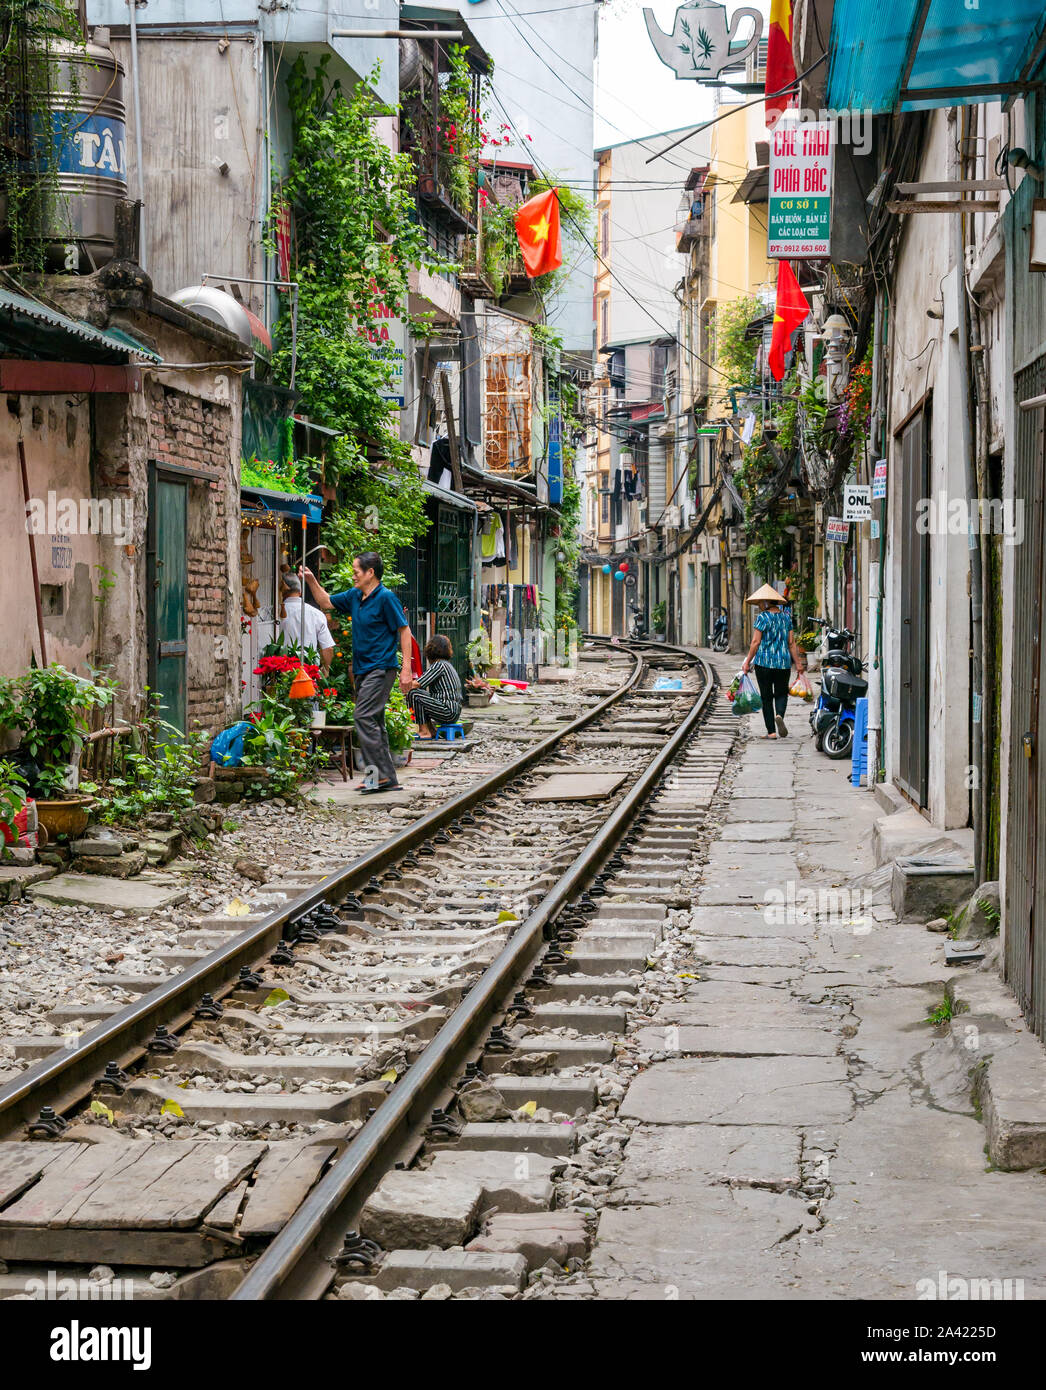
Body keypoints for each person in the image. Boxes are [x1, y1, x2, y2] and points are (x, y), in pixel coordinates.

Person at [303, 551, 414, 793]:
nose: (353, 576)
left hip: (382, 668)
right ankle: (385, 778)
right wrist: (311, 580)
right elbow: (326, 602)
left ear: (370, 573)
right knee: (374, 721)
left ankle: (378, 776)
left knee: (363, 716)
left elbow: (404, 632)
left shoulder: (386, 598)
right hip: (363, 669)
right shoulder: (355, 596)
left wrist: (407, 669)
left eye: (356, 572)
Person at [741, 582, 805, 740]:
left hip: (764, 663)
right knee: (782, 693)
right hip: (783, 663)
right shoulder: (786, 618)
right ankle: (779, 715)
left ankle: (771, 732)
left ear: (765, 602)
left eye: (760, 603)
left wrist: (747, 661)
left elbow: (755, 642)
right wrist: (798, 663)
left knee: (766, 697)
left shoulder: (762, 617)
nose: (759, 606)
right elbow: (791, 643)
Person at [405, 634, 463, 738]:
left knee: (413, 693)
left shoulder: (439, 665)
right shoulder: (447, 665)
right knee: (422, 696)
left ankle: (424, 731)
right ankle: (431, 730)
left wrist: (401, 686)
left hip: (447, 710)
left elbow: (418, 684)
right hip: (453, 711)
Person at [280, 574, 335, 672]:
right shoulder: (317, 614)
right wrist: (325, 669)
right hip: (308, 671)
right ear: (300, 592)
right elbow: (328, 648)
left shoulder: (273, 613)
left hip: (280, 669)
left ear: (281, 591)